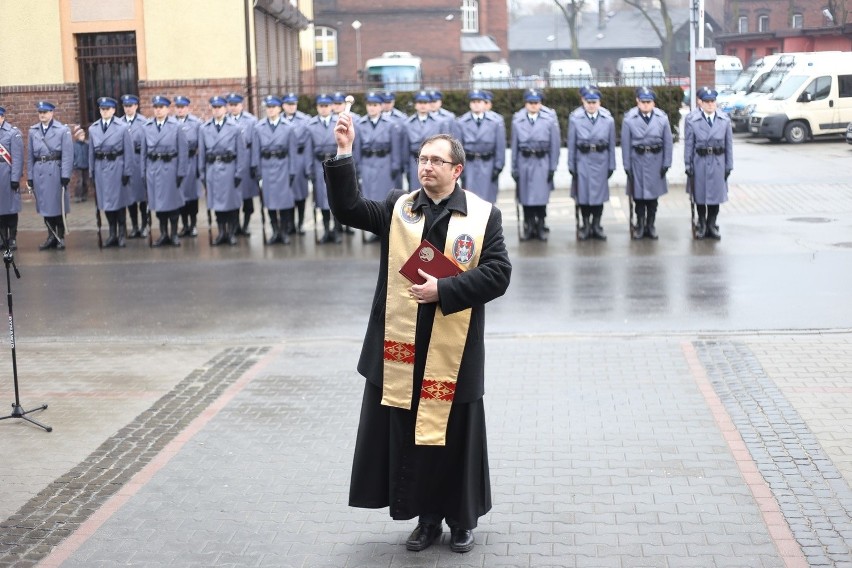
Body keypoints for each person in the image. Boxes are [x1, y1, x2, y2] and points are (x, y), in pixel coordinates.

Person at [325, 113, 512, 554]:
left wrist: (443, 289)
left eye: (436, 161)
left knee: (455, 437)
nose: (426, 167)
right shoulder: (399, 208)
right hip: (403, 344)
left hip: (454, 346)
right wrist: (344, 151)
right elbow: (348, 208)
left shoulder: (483, 216)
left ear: (456, 170)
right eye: (422, 159)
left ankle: (461, 520)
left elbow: (499, 274)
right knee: (414, 434)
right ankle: (427, 520)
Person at [621, 87, 673, 240]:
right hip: (638, 161)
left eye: (648, 102)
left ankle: (651, 225)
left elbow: (668, 143)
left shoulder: (662, 118)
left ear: (653, 103)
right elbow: (626, 145)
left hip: (656, 162)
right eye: (642, 102)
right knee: (639, 198)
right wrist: (627, 166)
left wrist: (666, 163)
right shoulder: (629, 119)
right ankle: (640, 225)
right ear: (637, 101)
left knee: (652, 198)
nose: (645, 105)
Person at [198, 95, 248, 246]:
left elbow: (241, 153)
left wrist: (239, 172)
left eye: (219, 107)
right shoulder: (204, 128)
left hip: (230, 169)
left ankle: (231, 233)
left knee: (231, 204)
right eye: (214, 107)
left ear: (225, 109)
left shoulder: (235, 128)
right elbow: (201, 153)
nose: (217, 110)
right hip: (213, 170)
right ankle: (221, 232)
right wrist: (202, 174)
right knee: (217, 205)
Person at [510, 89, 560, 241]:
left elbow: (555, 146)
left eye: (536, 103)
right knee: (525, 198)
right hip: (524, 162)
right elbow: (515, 146)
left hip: (542, 162)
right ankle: (529, 226)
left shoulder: (549, 120)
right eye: (530, 103)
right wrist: (514, 168)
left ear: (540, 103)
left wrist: (552, 167)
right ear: (526, 104)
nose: (533, 106)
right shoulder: (517, 120)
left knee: (541, 198)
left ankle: (540, 225)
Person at [567, 85, 615, 241]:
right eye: (588, 102)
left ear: (599, 102)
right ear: (583, 101)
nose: (592, 105)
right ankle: (586, 225)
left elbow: (611, 145)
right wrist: (571, 166)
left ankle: (596, 225)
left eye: (594, 102)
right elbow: (572, 145)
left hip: (600, 161)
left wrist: (611, 165)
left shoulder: (608, 119)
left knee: (598, 197)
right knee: (584, 197)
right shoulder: (575, 118)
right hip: (583, 161)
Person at [684, 86, 733, 240]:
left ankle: (712, 224)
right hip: (700, 162)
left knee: (715, 197)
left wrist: (729, 165)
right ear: (700, 103)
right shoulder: (692, 120)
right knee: (700, 196)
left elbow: (729, 145)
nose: (710, 104)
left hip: (718, 162)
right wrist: (688, 165)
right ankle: (702, 223)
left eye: (712, 101)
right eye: (707, 102)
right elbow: (689, 145)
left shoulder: (724, 120)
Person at [142, 96, 188, 247]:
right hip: (154, 169)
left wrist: (181, 172)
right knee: (159, 205)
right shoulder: (147, 127)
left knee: (173, 204)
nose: (158, 110)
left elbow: (183, 151)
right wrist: (144, 173)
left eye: (161, 107)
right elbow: (143, 152)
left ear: (168, 109)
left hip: (171, 168)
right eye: (156, 107)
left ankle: (174, 234)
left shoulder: (176, 127)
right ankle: (163, 234)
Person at [252, 95, 299, 244]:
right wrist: (258, 172)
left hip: (283, 167)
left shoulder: (288, 127)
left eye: (273, 107)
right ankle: (275, 231)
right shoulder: (259, 128)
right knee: (270, 203)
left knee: (284, 203)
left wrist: (292, 171)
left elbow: (293, 152)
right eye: (268, 107)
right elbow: (255, 152)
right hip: (266, 167)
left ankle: (284, 232)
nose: (270, 110)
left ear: (279, 108)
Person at [88, 96, 134, 248]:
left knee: (119, 203)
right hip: (101, 169)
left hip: (117, 167)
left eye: (107, 109)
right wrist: (91, 172)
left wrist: (127, 171)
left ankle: (121, 234)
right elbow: (91, 153)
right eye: (102, 109)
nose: (105, 112)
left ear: (114, 110)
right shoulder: (93, 128)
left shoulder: (122, 127)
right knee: (106, 204)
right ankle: (112, 233)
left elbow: (129, 151)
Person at [353, 91, 399, 241]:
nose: (372, 108)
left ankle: (387, 230)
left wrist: (395, 164)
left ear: (381, 107)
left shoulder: (390, 124)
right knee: (370, 199)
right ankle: (375, 231)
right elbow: (357, 148)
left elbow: (395, 147)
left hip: (384, 161)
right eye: (369, 105)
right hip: (368, 163)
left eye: (375, 105)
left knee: (385, 199)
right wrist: (357, 167)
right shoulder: (360, 124)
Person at [27, 100, 73, 251]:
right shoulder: (33, 131)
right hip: (39, 171)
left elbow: (67, 155)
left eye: (45, 112)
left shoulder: (62, 130)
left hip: (55, 170)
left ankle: (60, 237)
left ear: (52, 113)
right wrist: (30, 177)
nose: (42, 115)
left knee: (58, 206)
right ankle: (51, 236)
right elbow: (30, 156)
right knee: (45, 206)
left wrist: (65, 175)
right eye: (40, 113)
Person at [453, 90, 505, 204]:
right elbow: (458, 147)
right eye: (473, 101)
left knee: (488, 200)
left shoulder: (495, 122)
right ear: (470, 104)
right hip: (470, 164)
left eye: (479, 101)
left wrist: (498, 165)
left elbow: (500, 145)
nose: (476, 104)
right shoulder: (461, 122)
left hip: (488, 163)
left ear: (484, 103)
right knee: (470, 200)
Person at [304, 93, 341, 244]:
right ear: (317, 107)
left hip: (336, 165)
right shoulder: (311, 125)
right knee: (322, 200)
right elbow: (308, 150)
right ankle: (326, 231)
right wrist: (309, 169)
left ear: (332, 106)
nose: (324, 109)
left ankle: (336, 231)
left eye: (326, 106)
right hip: (319, 166)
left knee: (337, 201)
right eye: (321, 106)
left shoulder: (339, 122)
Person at [400, 90, 450, 190]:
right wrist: (405, 165)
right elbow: (405, 146)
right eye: (420, 103)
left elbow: (445, 145)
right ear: (415, 105)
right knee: (416, 190)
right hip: (415, 161)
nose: (422, 106)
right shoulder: (408, 123)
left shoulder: (439, 122)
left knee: (435, 187)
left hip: (435, 161)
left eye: (425, 103)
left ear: (429, 104)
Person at [226, 92, 259, 237]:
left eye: (236, 105)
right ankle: (234, 225)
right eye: (231, 105)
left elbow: (256, 145)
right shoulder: (225, 120)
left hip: (246, 162)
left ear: (241, 105)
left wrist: (254, 164)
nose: (233, 108)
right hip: (231, 163)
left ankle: (245, 225)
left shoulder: (251, 120)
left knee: (247, 198)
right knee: (232, 197)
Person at [120, 94, 150, 239]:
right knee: (130, 197)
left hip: (139, 161)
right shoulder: (119, 123)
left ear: (136, 106)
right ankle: (135, 226)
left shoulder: (144, 122)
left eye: (130, 105)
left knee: (142, 196)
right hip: (126, 162)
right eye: (125, 106)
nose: (128, 108)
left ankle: (145, 225)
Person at [174, 96, 203, 237]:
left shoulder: (196, 123)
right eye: (178, 107)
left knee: (192, 195)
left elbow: (201, 145)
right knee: (180, 195)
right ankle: (184, 225)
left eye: (183, 107)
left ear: (188, 108)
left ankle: (193, 224)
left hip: (192, 161)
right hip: (178, 163)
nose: (180, 110)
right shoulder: (171, 123)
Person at [282, 92, 311, 235]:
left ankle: (300, 223)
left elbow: (308, 144)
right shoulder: (279, 119)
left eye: (294, 104)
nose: (291, 107)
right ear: (283, 106)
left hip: (299, 159)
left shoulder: (305, 120)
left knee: (300, 194)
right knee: (286, 194)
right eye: (288, 104)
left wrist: (307, 165)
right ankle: (288, 224)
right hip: (284, 161)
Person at [0, 106, 24, 251]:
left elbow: (18, 158)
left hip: (7, 175)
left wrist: (15, 177)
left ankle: (12, 238)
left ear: (2, 117)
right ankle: (3, 238)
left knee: (11, 209)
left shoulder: (12, 133)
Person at [72, 127, 90, 202]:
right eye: (81, 135)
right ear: (77, 136)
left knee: (86, 181)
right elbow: (72, 155)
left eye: (83, 135)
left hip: (86, 165)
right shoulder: (74, 145)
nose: (83, 137)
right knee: (79, 181)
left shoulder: (86, 145)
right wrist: (74, 163)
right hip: (78, 166)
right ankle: (77, 196)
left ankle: (84, 195)